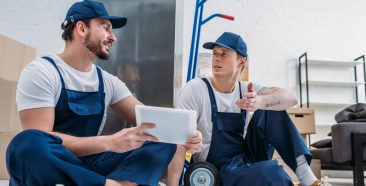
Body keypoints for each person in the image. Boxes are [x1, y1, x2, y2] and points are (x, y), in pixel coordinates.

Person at [6, 1, 201, 185]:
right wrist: (110, 142)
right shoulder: (42, 72)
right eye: (106, 27)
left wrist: (187, 135)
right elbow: (42, 140)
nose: (113, 37)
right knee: (26, 142)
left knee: (160, 139)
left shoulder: (107, 81)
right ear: (82, 28)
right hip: (55, 167)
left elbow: (152, 122)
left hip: (91, 166)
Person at [175, 32, 330, 186]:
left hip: (245, 159)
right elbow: (177, 142)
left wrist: (261, 101)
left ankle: (307, 179)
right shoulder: (196, 89)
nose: (216, 58)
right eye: (214, 53)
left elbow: (290, 98)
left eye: (224, 54)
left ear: (241, 61)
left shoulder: (246, 89)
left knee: (271, 107)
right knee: (271, 172)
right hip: (216, 170)